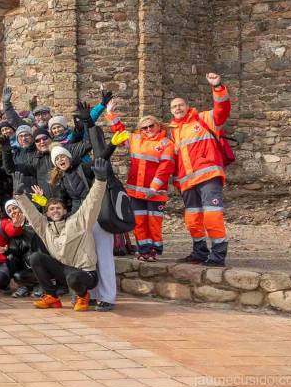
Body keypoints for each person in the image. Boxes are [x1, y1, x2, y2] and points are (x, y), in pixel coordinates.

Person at [15, 139, 111, 311]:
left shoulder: (79, 222)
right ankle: (51, 296)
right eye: (51, 209)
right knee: (35, 258)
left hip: (85, 273)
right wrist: (20, 196)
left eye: (58, 208)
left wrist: (100, 180)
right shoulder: (46, 227)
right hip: (64, 270)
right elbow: (32, 214)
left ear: (65, 210)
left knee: (74, 278)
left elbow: (92, 201)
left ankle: (83, 295)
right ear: (47, 212)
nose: (55, 211)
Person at [169, 73, 231, 265]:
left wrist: (218, 86)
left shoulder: (204, 118)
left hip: (208, 177)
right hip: (187, 182)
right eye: (174, 107)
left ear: (187, 106)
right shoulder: (173, 131)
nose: (178, 108)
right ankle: (199, 252)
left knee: (212, 216)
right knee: (193, 219)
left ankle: (218, 255)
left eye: (180, 105)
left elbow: (222, 108)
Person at [115, 113, 175, 261]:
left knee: (154, 222)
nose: (148, 129)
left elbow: (165, 167)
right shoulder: (135, 139)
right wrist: (110, 114)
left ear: (158, 125)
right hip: (136, 191)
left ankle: (154, 250)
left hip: (156, 192)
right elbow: (119, 131)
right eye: (144, 127)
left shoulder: (166, 143)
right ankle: (144, 250)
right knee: (139, 221)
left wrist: (153, 187)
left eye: (151, 126)